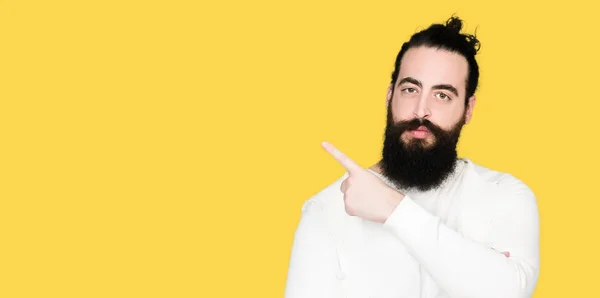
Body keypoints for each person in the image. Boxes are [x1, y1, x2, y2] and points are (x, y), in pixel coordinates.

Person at [283, 16, 540, 298]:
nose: (421, 111)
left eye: (442, 95)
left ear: (468, 108)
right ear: (390, 94)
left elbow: (508, 292)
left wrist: (394, 210)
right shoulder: (325, 210)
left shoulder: (504, 195)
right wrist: (477, 264)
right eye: (410, 89)